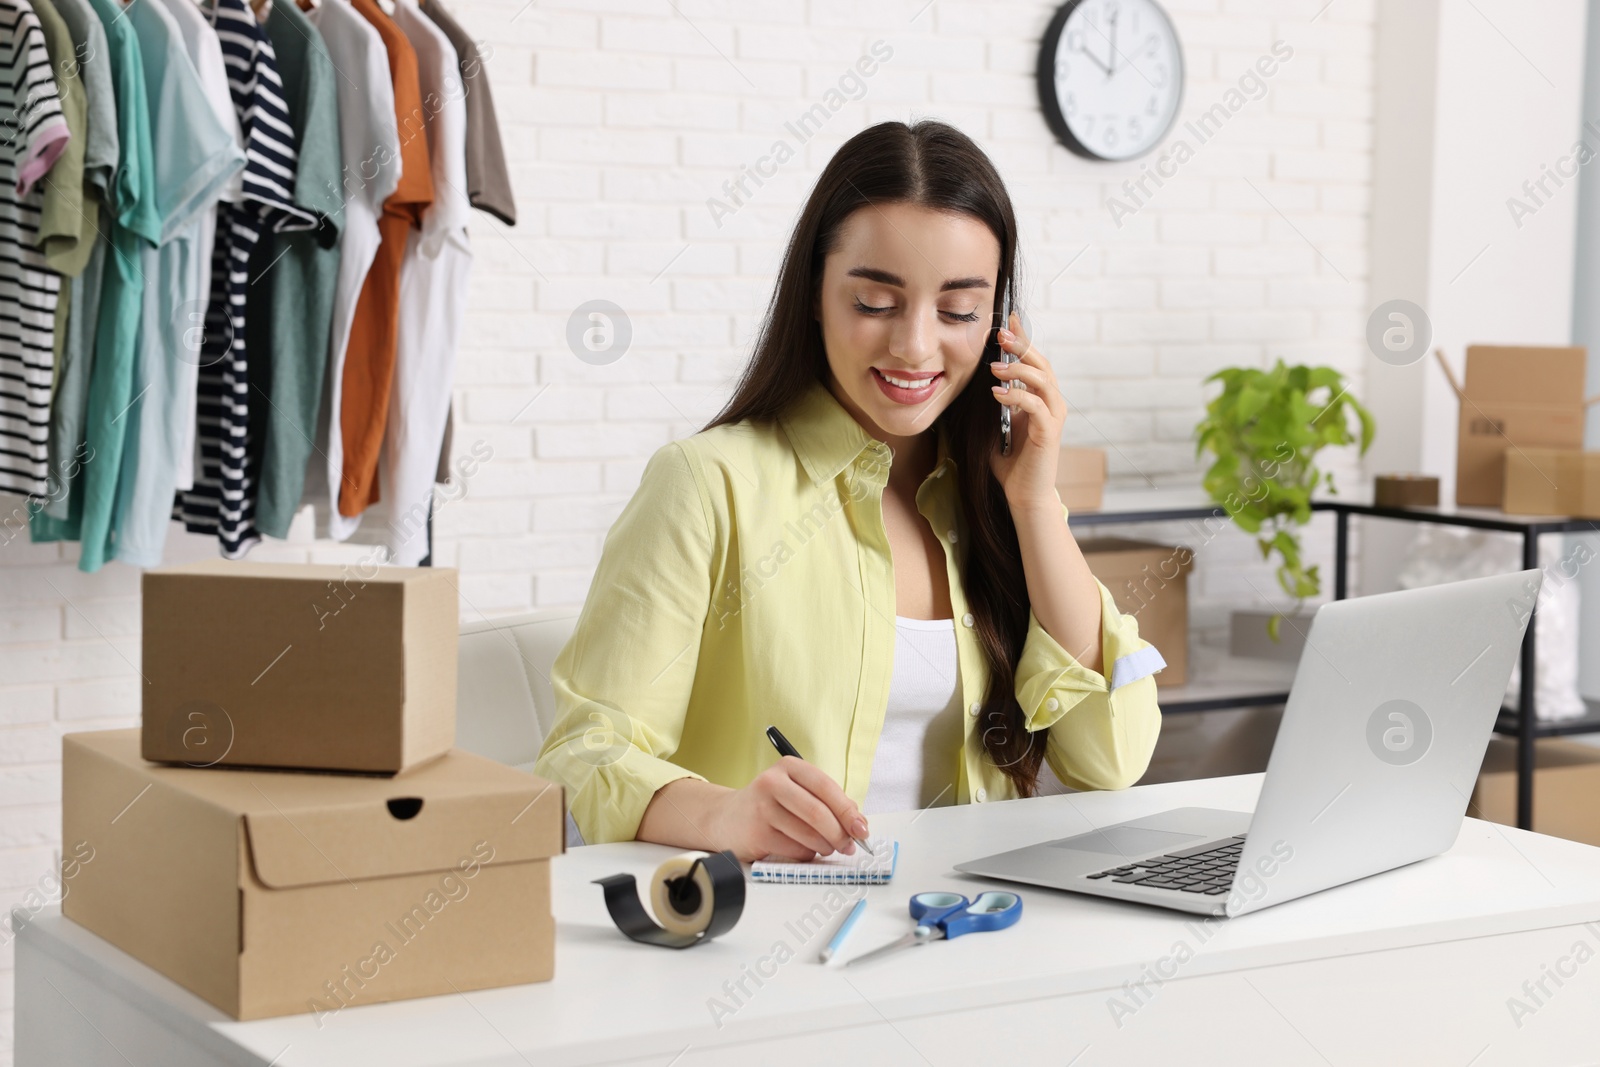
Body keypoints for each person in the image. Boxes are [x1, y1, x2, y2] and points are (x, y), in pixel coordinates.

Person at [533, 119, 1164, 862]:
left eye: (959, 311)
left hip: (966, 929)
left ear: (997, 321)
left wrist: (1035, 503)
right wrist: (725, 816)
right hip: (763, 938)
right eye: (875, 303)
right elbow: (586, 752)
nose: (916, 345)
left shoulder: (995, 503)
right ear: (814, 295)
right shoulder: (707, 486)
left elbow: (1111, 759)